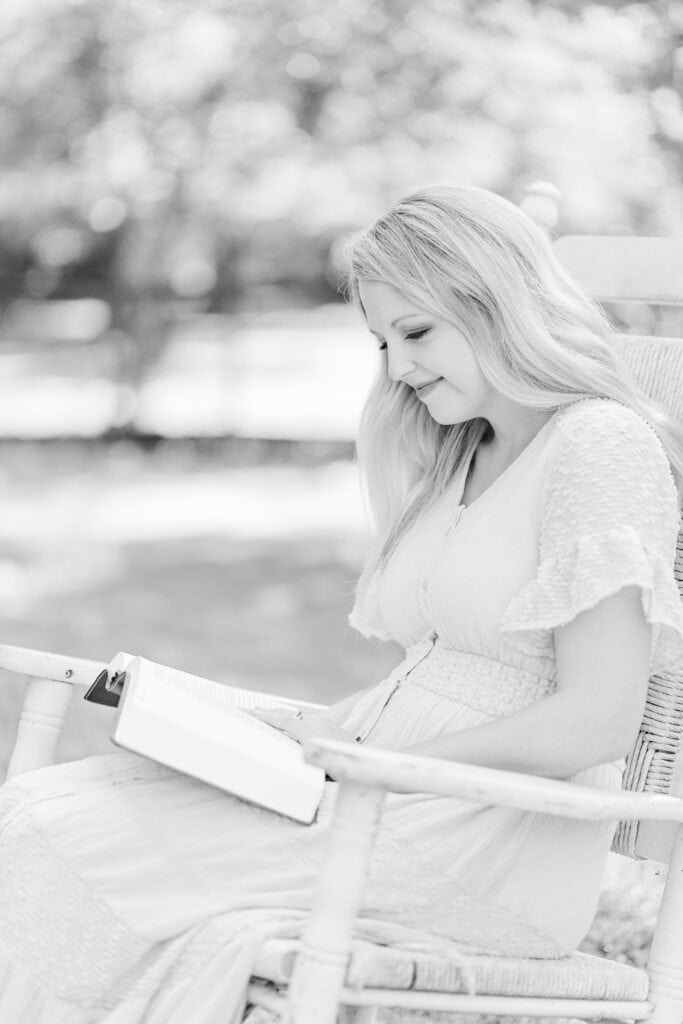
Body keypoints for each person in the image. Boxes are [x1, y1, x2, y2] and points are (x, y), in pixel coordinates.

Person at [0, 184, 682, 1024]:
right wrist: (307, 739)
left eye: (417, 332)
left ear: (495, 301)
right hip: (374, 791)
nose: (397, 368)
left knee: (68, 842)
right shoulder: (464, 453)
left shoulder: (598, 443)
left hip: (481, 841)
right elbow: (433, 679)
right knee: (42, 809)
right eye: (381, 341)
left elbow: (597, 720)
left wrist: (374, 772)